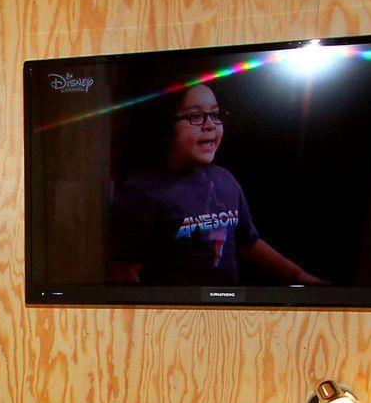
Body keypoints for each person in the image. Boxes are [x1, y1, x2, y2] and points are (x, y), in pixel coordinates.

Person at [106, 84, 325, 286]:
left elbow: (248, 242)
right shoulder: (141, 193)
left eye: (215, 114)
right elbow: (124, 271)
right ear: (166, 124)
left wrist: (299, 276)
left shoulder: (225, 181)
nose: (210, 125)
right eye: (196, 116)